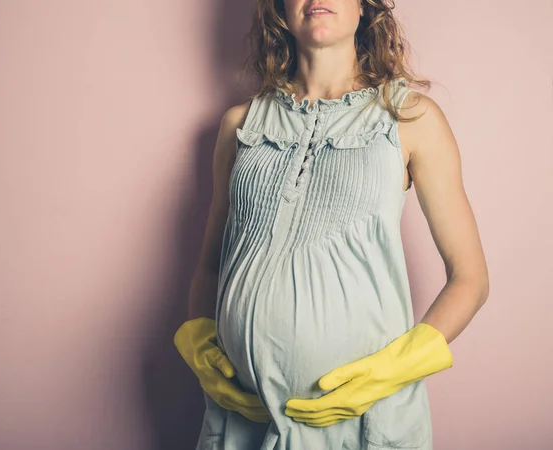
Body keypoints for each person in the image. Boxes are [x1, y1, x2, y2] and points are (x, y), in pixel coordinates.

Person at [174, 0, 489, 448]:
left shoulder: (412, 119)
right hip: (243, 419)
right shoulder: (239, 125)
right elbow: (209, 266)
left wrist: (392, 371)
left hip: (362, 422)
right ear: (281, 8)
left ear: (365, 8)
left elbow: (471, 278)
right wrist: (200, 343)